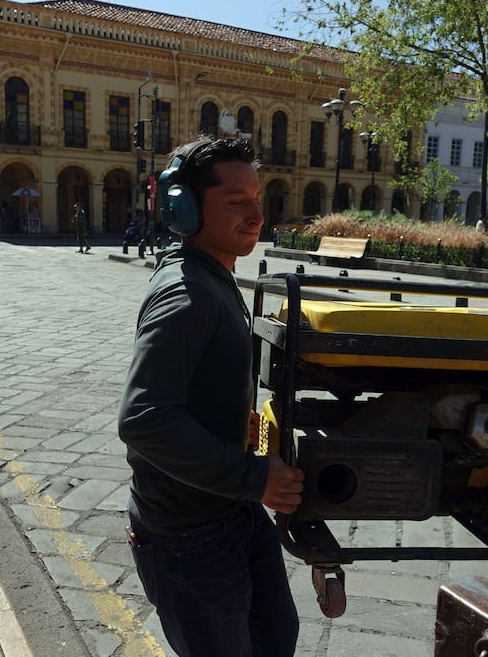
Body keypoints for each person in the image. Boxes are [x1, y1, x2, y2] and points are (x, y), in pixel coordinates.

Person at [118, 137, 303, 657]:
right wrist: (254, 477)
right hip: (188, 537)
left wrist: (231, 423)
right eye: (235, 200)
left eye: (256, 197)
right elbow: (143, 418)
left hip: (232, 513)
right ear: (184, 206)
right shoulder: (187, 294)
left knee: (275, 637)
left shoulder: (214, 277)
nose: (255, 213)